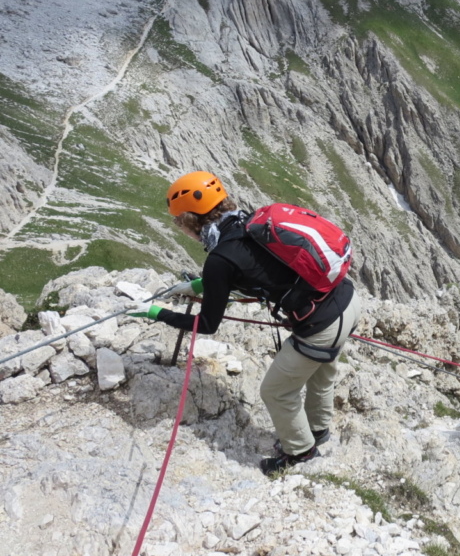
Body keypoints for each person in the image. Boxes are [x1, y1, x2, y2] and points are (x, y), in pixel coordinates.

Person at [129, 171, 361, 476]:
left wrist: (156, 312)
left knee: (276, 391)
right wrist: (199, 286)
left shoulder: (219, 259)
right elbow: (255, 271)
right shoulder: (249, 222)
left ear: (190, 221)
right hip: (347, 299)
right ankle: (318, 430)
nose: (179, 228)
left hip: (321, 325)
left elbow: (207, 324)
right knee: (320, 376)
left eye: (179, 222)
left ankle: (300, 451)